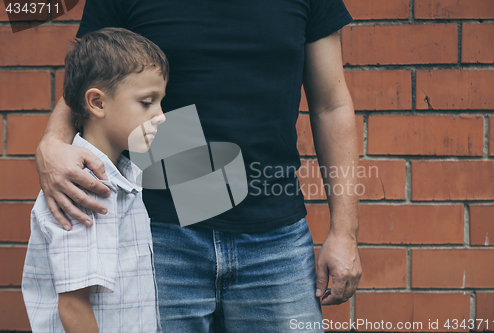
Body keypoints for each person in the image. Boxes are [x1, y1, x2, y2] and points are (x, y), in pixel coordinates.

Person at [35, 0, 362, 332]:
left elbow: (331, 106)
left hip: (275, 240)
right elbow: (89, 82)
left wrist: (345, 231)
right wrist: (52, 143)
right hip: (156, 233)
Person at [22, 27, 169, 333]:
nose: (161, 115)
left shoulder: (121, 176)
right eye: (147, 102)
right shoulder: (86, 187)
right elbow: (73, 305)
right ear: (97, 103)